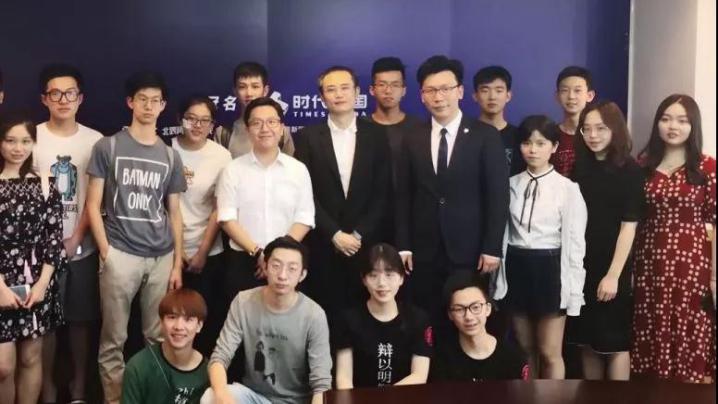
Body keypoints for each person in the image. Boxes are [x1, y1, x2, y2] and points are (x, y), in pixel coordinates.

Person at [86, 71, 187, 404]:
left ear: (163, 106)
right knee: (113, 340)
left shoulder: (170, 155)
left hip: (161, 257)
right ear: (130, 102)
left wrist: (177, 263)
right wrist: (107, 252)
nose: (148, 106)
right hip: (120, 254)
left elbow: (174, 213)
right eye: (142, 99)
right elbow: (93, 205)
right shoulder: (108, 146)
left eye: (155, 100)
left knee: (158, 338)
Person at [395, 55, 508, 325]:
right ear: (422, 96)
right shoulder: (411, 137)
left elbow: (497, 196)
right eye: (431, 90)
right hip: (424, 251)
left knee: (468, 319)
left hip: (470, 251)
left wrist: (491, 247)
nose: (439, 97)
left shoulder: (485, 136)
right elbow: (403, 195)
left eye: (445, 88)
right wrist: (404, 245)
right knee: (426, 320)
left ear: (459, 91)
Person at [294, 66, 392, 324]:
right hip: (323, 243)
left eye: (344, 88)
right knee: (324, 314)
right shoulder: (307, 137)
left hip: (365, 244)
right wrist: (334, 234)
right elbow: (303, 193)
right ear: (322, 97)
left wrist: (358, 234)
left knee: (365, 315)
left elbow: (382, 192)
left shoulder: (377, 135)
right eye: (331, 89)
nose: (338, 94)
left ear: (357, 92)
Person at [494, 115, 587, 379]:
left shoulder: (567, 189)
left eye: (540, 143)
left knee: (549, 351)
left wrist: (573, 290)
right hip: (517, 267)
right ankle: (528, 395)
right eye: (526, 143)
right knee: (524, 349)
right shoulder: (510, 185)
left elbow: (575, 244)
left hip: (549, 269)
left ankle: (553, 397)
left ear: (554, 147)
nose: (532, 150)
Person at [632, 94, 716, 383]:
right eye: (666, 119)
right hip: (649, 262)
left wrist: (715, 276)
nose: (673, 126)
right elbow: (632, 219)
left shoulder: (708, 168)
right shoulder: (642, 166)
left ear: (693, 126)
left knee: (689, 324)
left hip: (692, 265)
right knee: (651, 324)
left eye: (682, 120)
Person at [32, 63, 103, 404]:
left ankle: (78, 389)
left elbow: (95, 197)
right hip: (38, 251)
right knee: (44, 324)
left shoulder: (95, 141)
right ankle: (46, 388)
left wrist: (76, 237)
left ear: (80, 98)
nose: (63, 100)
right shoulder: (31, 137)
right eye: (55, 93)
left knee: (80, 322)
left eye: (70, 93)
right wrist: (48, 242)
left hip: (83, 247)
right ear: (44, 99)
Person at [200, 236, 332, 404]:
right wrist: (222, 397)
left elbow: (321, 383)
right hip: (254, 397)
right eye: (276, 266)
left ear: (302, 275)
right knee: (210, 397)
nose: (282, 275)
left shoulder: (314, 315)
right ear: (265, 267)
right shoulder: (243, 302)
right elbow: (220, 357)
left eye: (292, 269)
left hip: (296, 401)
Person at [567, 101, 643, 380]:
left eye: (600, 128)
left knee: (614, 343)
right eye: (586, 129)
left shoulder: (630, 170)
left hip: (613, 265)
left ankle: (618, 399)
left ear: (615, 130)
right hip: (582, 264)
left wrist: (613, 275)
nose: (593, 135)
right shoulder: (579, 168)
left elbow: (629, 227)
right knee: (587, 340)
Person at [215, 97, 314, 301]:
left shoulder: (298, 169)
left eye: (271, 122)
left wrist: (275, 256)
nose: (265, 128)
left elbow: (305, 217)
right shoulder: (232, 169)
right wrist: (259, 253)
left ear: (282, 127)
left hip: (288, 261)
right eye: (257, 123)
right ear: (248, 129)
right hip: (244, 261)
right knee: (242, 317)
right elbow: (226, 218)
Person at [0, 113, 66, 404]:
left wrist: (42, 285)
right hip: (1, 282)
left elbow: (54, 238)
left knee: (31, 357)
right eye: (10, 140)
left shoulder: (45, 184)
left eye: (25, 141)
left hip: (36, 282)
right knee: (3, 367)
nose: (18, 148)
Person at [172, 95, 232, 356]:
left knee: (202, 323)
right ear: (180, 120)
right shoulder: (167, 150)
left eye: (204, 120)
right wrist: (177, 253)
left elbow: (219, 208)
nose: (197, 125)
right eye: (191, 119)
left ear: (212, 125)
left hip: (208, 252)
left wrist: (202, 253)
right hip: (168, 251)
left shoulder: (221, 156)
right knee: (171, 319)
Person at [334, 243, 432, 389]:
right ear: (364, 279)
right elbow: (344, 378)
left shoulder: (418, 319)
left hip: (405, 398)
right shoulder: (348, 320)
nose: (381, 283)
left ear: (401, 278)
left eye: (389, 274)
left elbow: (419, 375)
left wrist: (384, 398)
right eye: (373, 275)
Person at [431, 271, 529, 381]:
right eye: (459, 309)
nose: (469, 316)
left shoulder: (513, 358)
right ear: (450, 314)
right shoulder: (442, 359)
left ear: (488, 309)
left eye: (476, 307)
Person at [121, 289, 209, 404]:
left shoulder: (208, 372)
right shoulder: (138, 367)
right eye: (172, 317)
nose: (179, 327)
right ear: (161, 322)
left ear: (199, 326)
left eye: (188, 319)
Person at [213, 62, 294, 158]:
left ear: (265, 91)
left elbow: (290, 165)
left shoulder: (281, 132)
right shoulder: (223, 133)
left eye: (255, 87)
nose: (249, 93)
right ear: (235, 91)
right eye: (242, 87)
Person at [366, 56, 424, 186]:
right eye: (382, 84)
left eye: (395, 85)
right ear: (372, 90)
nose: (388, 91)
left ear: (404, 90)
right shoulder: (360, 128)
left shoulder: (418, 128)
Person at [472, 65, 524, 175]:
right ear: (475, 96)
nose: (492, 97)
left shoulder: (519, 136)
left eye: (499, 91)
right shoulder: (465, 134)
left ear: (508, 96)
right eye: (485, 90)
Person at [550, 66, 596, 177]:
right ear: (557, 96)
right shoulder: (549, 135)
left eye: (577, 90)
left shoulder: (596, 135)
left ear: (589, 96)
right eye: (565, 90)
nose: (571, 96)